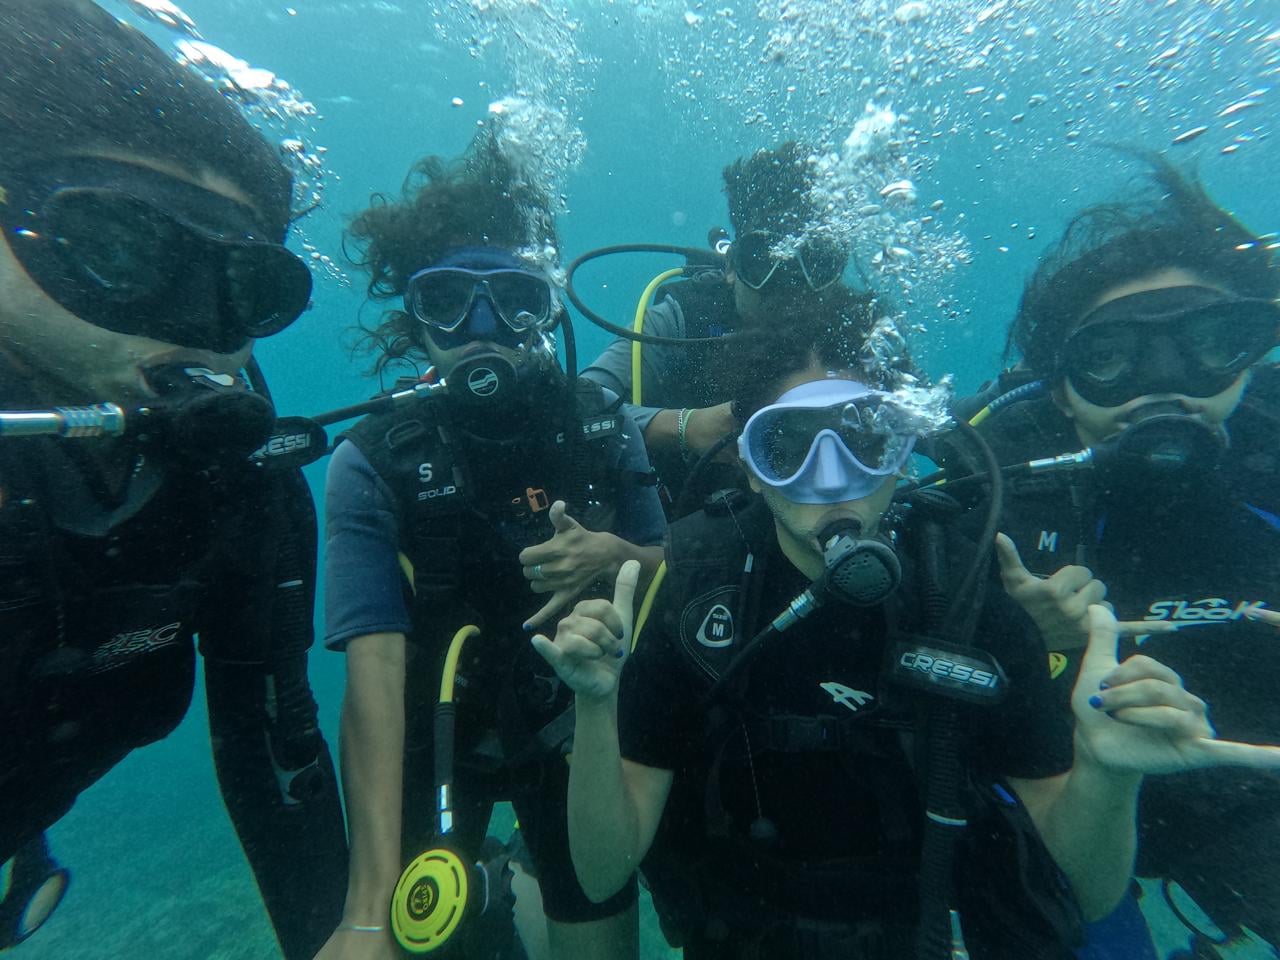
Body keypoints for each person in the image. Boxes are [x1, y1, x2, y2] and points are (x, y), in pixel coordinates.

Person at [533, 308, 1280, 959]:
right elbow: (603, 871)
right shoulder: (702, 586)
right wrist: (596, 708)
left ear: (905, 449)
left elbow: (1087, 890)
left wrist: (1111, 776)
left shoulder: (963, 587)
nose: (832, 476)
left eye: (865, 437)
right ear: (751, 470)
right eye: (788, 446)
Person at [0, 0, 347, 955]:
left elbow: (272, 737)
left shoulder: (242, 478)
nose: (196, 325)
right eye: (117, 247)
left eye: (244, 287)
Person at [317, 129, 666, 960]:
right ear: (414, 318)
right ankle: (496, 891)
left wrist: (615, 551)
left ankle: (519, 885)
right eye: (447, 302)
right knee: (403, 942)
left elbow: (667, 563)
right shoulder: (374, 459)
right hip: (434, 733)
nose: (483, 328)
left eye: (512, 297)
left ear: (544, 310)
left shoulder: (598, 419)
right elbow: (371, 673)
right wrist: (365, 911)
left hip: (574, 725)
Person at [964, 155, 1280, 958]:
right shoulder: (1006, 491)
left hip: (1257, 801)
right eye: (1110, 359)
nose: (1163, 388)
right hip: (1075, 802)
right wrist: (1014, 643)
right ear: (1062, 388)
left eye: (1211, 342)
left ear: (1250, 358)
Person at [582, 141, 873, 508]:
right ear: (732, 266)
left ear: (838, 267)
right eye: (762, 260)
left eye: (816, 261)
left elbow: (931, 422)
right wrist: (685, 427)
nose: (790, 285)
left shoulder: (865, 332)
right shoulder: (684, 320)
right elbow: (580, 404)